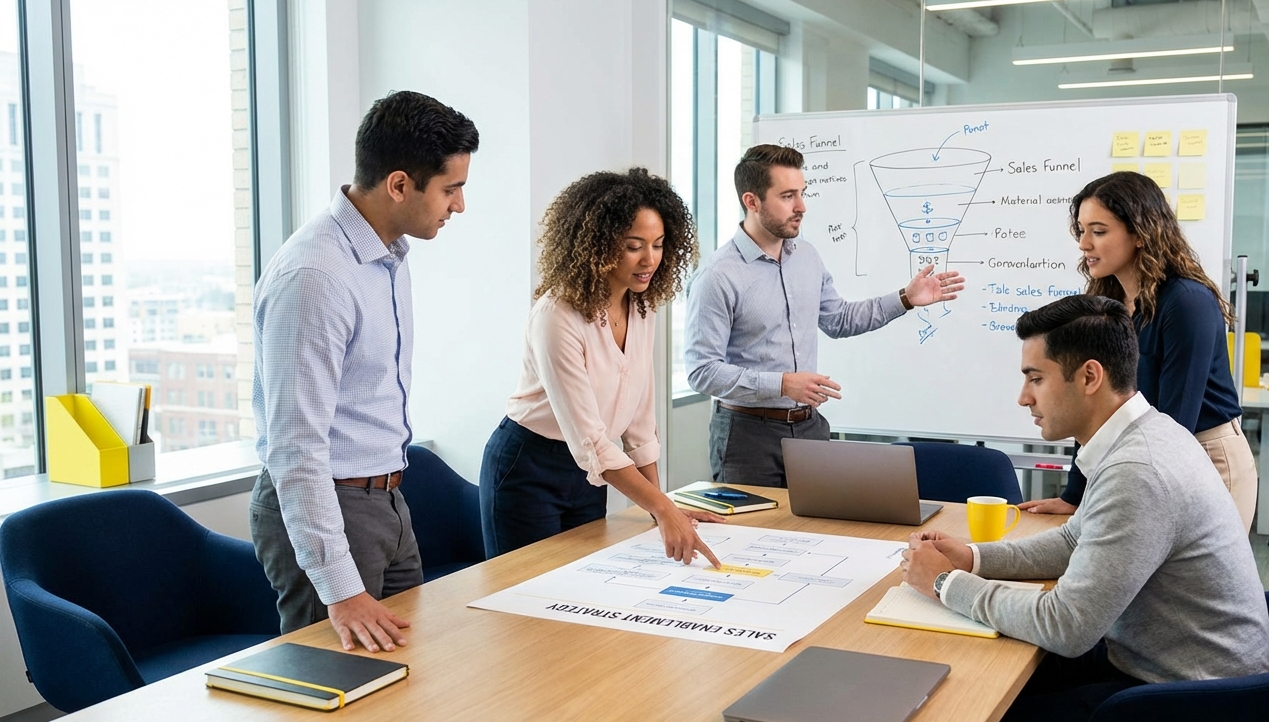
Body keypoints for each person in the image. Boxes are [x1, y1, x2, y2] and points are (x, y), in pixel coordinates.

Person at [902, 295, 1269, 722]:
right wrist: (972, 558)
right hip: (1169, 669)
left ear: (1089, 377)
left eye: (1035, 379)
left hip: (1196, 709)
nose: (1024, 397)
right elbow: (1072, 538)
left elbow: (1067, 626)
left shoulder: (1138, 469)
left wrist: (943, 583)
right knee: (987, 689)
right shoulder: (1142, 434)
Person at [250, 91, 479, 653]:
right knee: (331, 702)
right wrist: (339, 586)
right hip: (329, 508)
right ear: (400, 184)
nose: (459, 206)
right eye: (451, 189)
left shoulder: (389, 256)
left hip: (389, 501)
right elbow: (296, 447)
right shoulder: (316, 275)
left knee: (406, 682)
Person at [480, 168, 723, 566]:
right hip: (528, 468)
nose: (650, 260)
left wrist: (657, 509)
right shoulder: (557, 315)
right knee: (526, 601)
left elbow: (640, 425)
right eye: (634, 246)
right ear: (597, 244)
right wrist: (665, 509)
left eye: (659, 245)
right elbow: (590, 440)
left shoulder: (642, 306)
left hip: (593, 473)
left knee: (582, 589)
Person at [684, 144, 964, 488]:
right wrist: (783, 383)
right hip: (747, 436)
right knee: (753, 537)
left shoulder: (807, 257)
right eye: (787, 196)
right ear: (752, 201)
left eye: (801, 193)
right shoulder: (717, 276)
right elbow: (701, 372)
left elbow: (839, 320)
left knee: (820, 533)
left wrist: (906, 298)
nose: (801, 206)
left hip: (809, 427)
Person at [1019, 171, 1258, 530]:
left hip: (1202, 454)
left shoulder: (1187, 303)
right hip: (1142, 454)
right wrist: (1075, 496)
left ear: (1141, 234)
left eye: (1098, 231)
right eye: (1081, 231)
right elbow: (1091, 411)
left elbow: (1175, 425)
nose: (1085, 244)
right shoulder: (1105, 304)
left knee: (1184, 584)